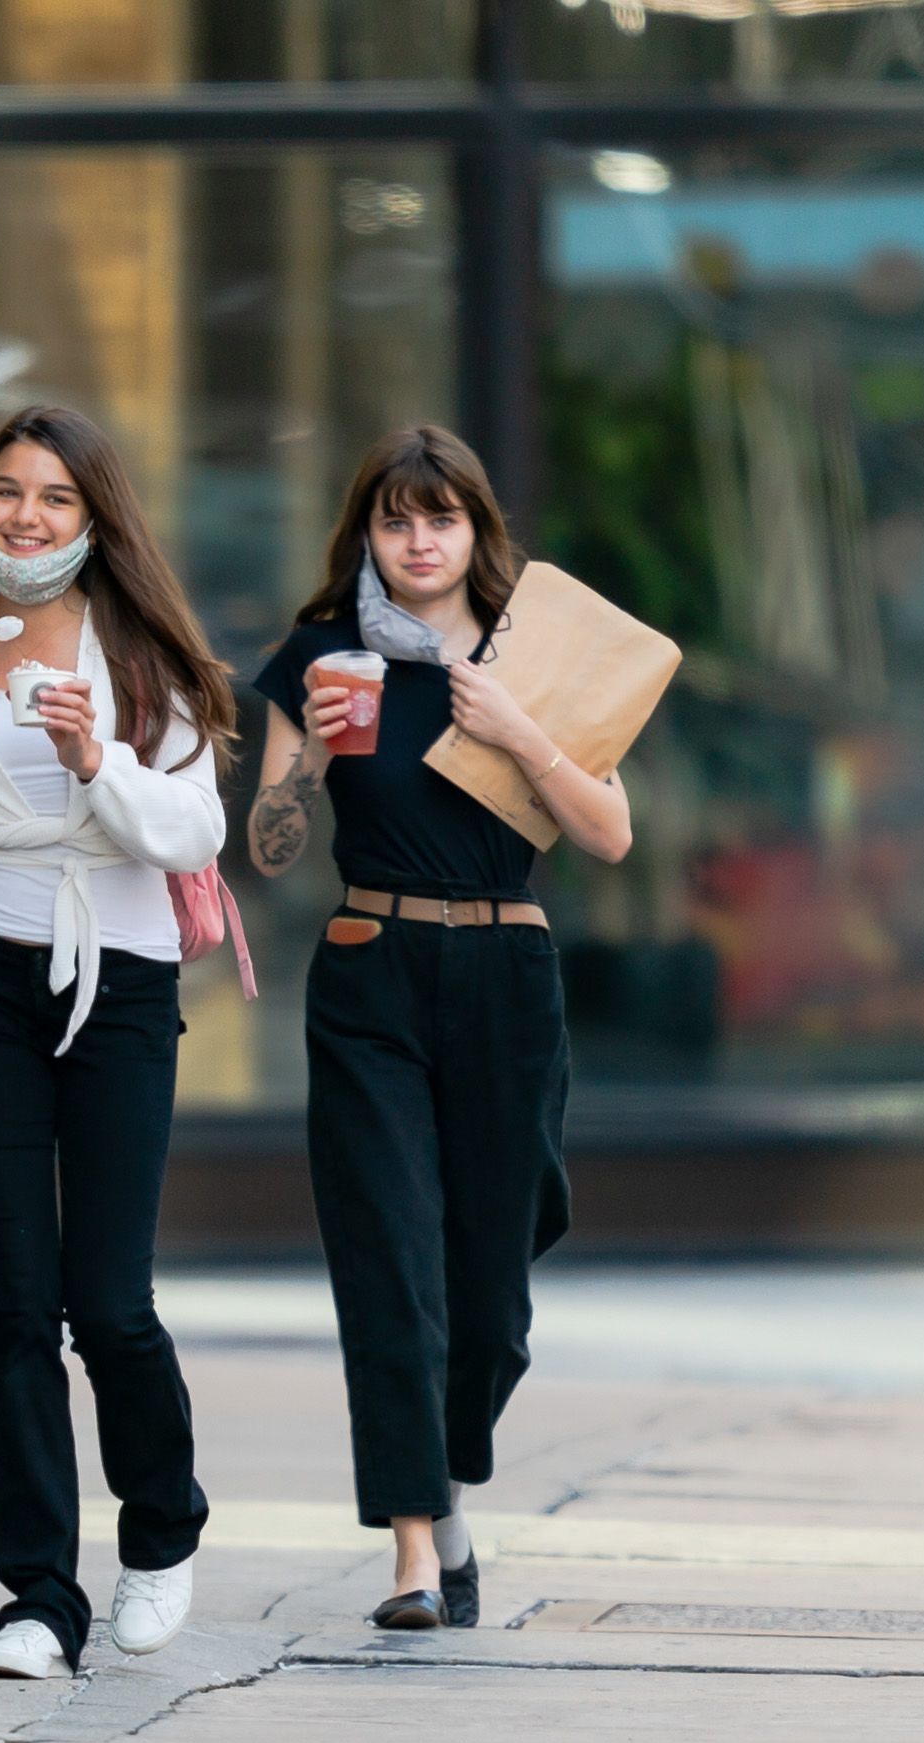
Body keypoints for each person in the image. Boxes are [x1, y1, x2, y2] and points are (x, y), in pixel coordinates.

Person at [248, 423, 631, 1632]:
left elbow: (611, 832)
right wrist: (305, 754)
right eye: (396, 518)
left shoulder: (538, 652)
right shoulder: (322, 654)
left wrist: (518, 727)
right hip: (371, 968)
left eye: (443, 516)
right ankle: (414, 1548)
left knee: (490, 1292)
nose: (420, 540)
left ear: (478, 530)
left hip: (509, 972)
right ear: (366, 531)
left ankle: (446, 1493)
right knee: (392, 1264)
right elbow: (268, 849)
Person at [0, 407, 236, 1680]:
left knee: (110, 1300)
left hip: (121, 980)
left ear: (95, 515)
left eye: (53, 497)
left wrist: (93, 759)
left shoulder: (147, 654)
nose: (26, 517)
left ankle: (162, 1531)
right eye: (5, 492)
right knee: (15, 1306)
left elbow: (195, 830)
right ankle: (39, 1597)